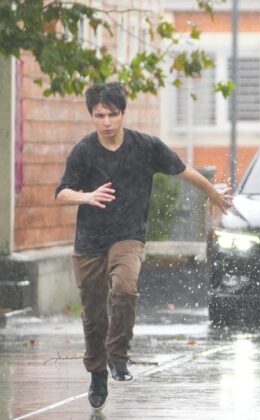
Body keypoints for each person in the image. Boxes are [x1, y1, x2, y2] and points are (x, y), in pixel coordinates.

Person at [55, 82, 233, 409]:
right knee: (93, 311)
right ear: (92, 117)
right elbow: (61, 193)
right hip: (90, 242)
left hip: (128, 236)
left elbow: (184, 170)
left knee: (124, 288)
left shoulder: (146, 147)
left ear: (123, 114)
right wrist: (87, 196)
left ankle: (118, 358)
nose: (106, 122)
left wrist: (212, 194)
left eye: (112, 114)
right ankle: (97, 371)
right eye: (99, 115)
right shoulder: (84, 151)